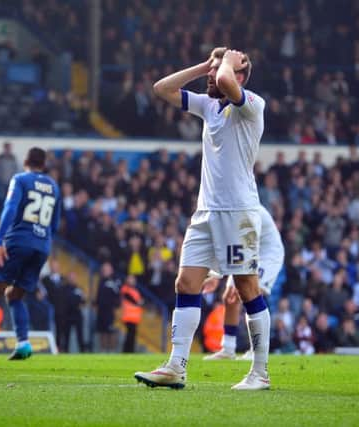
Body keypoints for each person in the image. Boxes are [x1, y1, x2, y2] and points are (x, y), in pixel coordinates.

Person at [134, 47, 270, 390]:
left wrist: (225, 65)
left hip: (238, 212)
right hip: (205, 212)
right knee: (186, 283)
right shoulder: (209, 105)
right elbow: (161, 89)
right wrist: (205, 65)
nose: (212, 77)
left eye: (220, 72)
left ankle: (260, 372)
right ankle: (176, 366)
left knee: (246, 286)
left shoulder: (252, 105)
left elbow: (225, 78)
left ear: (239, 76)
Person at [0, 147, 60, 367]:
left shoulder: (20, 179)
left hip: (19, 241)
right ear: (44, 164)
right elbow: (55, 224)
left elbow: (10, 208)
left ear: (26, 160)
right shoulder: (54, 186)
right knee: (15, 295)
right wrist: (45, 245)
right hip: (42, 246)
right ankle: (23, 342)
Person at [203, 205, 284, 360]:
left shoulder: (249, 210)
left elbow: (243, 243)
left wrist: (218, 275)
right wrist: (216, 275)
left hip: (267, 254)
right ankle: (228, 349)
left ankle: (257, 349)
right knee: (229, 297)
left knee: (250, 293)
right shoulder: (229, 211)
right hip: (244, 253)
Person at [120, 274, 143, 353]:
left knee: (132, 336)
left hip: (135, 317)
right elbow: (130, 298)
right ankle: (126, 351)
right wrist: (138, 303)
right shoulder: (125, 288)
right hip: (128, 316)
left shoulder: (135, 291)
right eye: (130, 279)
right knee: (129, 335)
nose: (132, 281)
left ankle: (130, 351)